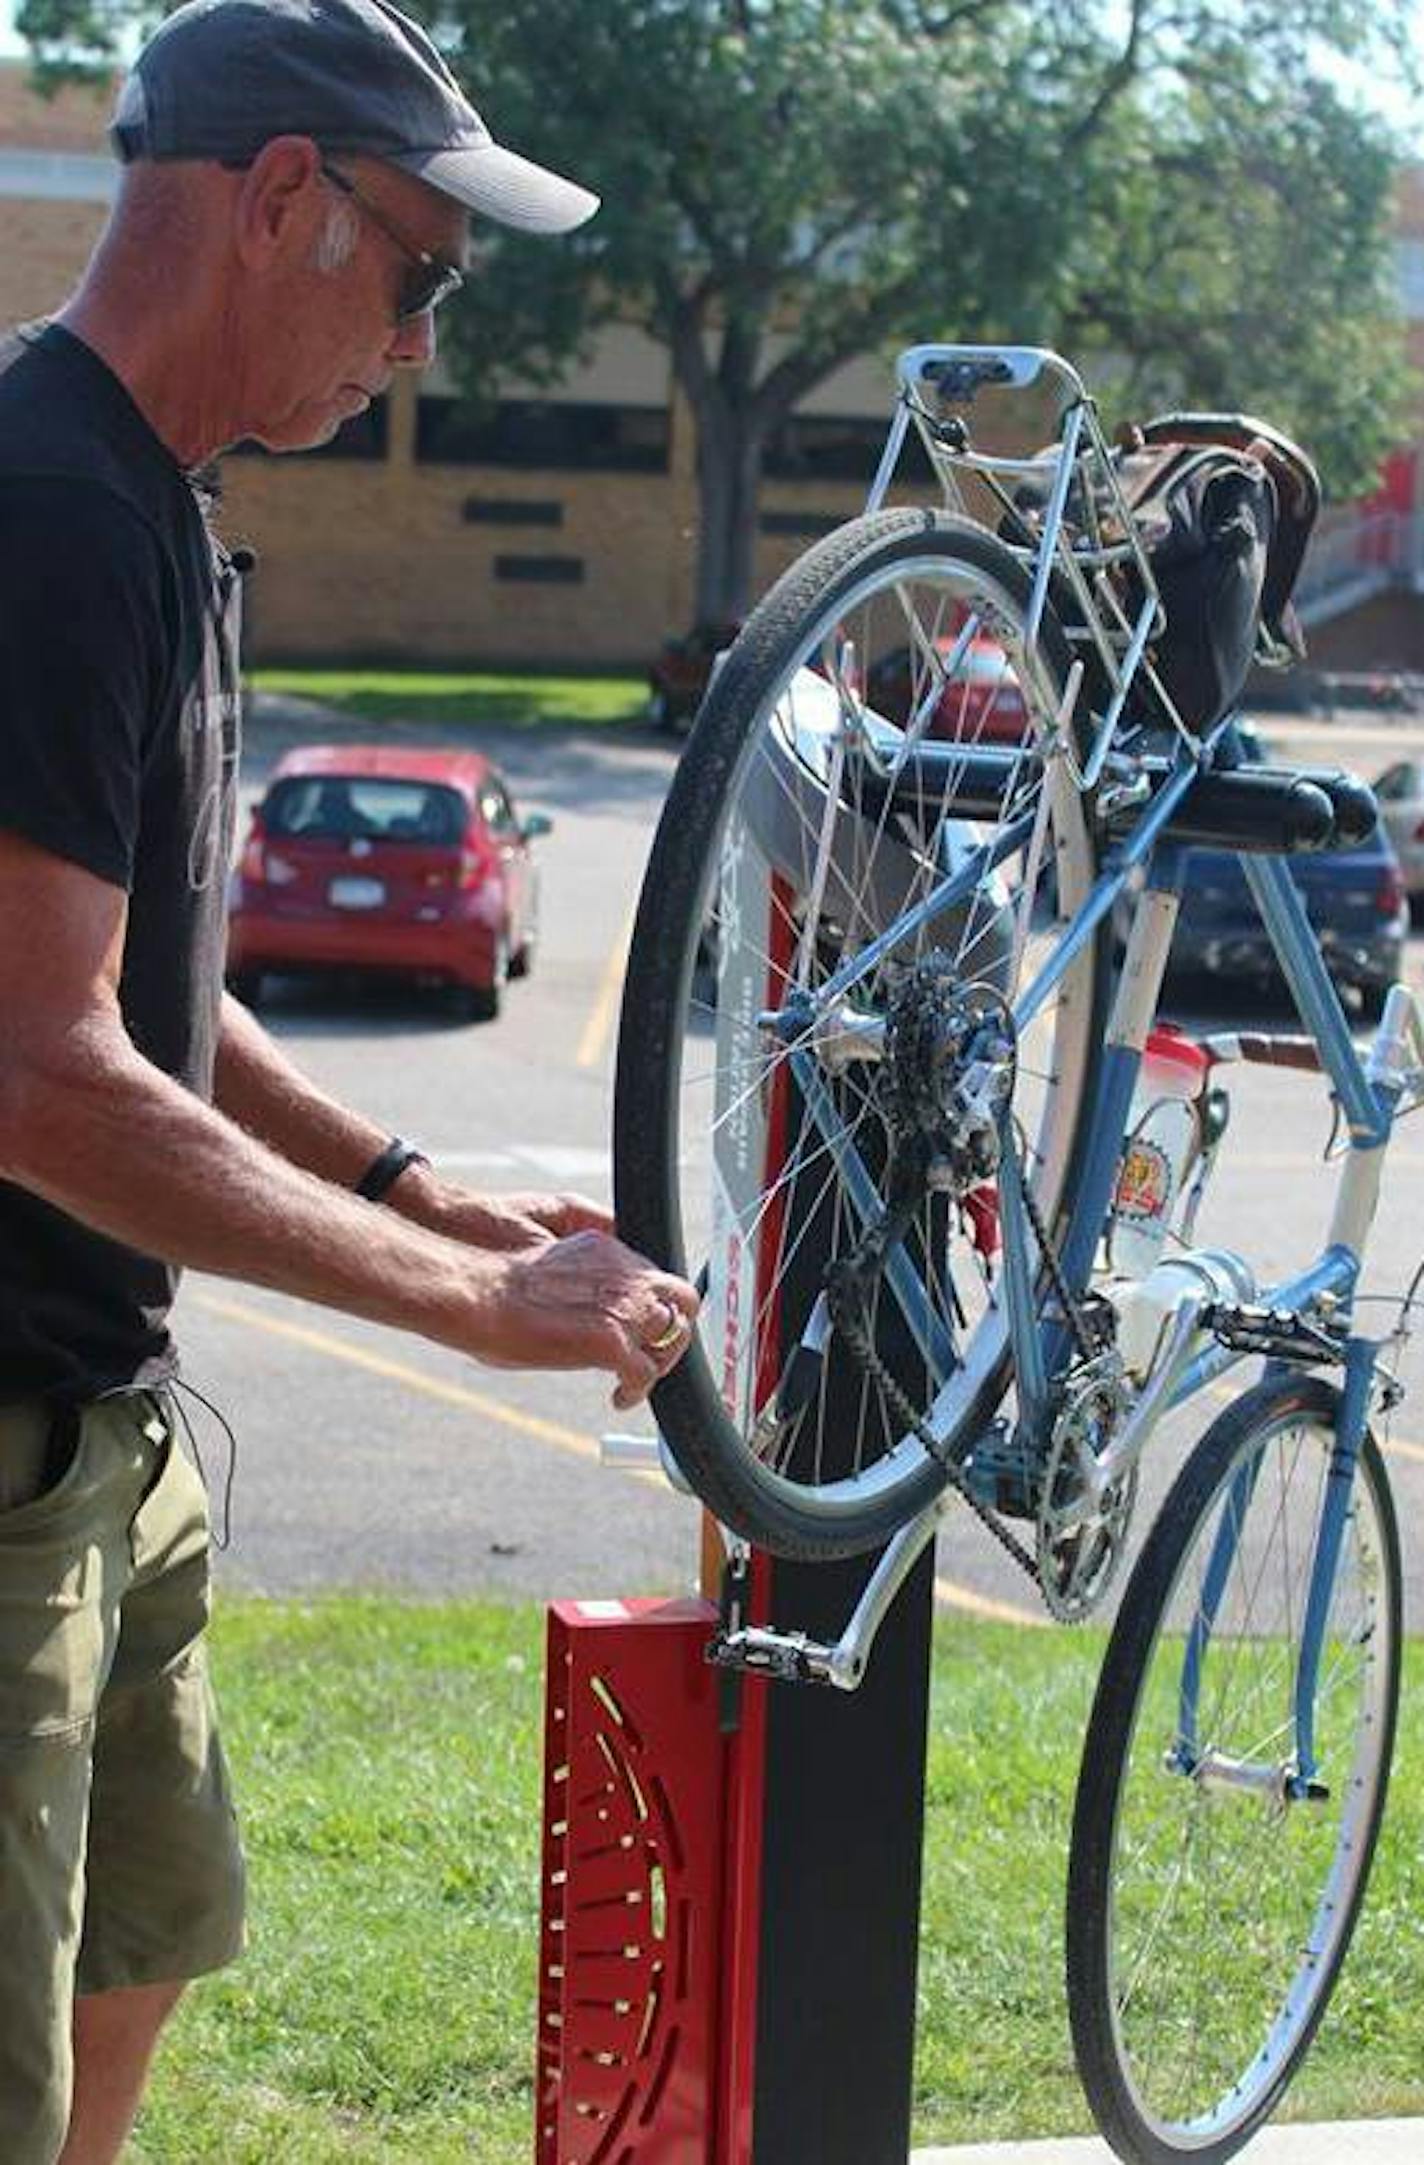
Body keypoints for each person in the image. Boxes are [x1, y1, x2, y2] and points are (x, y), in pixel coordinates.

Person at [0, 3, 698, 2157]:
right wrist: (471, 1313)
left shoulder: (159, 507)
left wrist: (411, 1181)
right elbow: (38, 1076)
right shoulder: (48, 517)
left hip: (107, 1431)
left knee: (143, 1947)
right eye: (418, 270)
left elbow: (154, 991)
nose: (418, 342)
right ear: (281, 198)